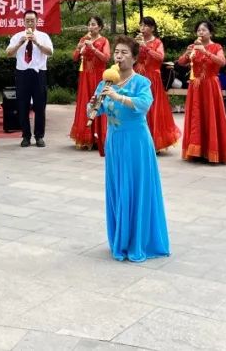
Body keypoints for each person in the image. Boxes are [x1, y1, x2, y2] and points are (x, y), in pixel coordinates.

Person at [90, 35, 170, 262]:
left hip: (136, 142)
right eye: (116, 52)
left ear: (134, 58)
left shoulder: (142, 82)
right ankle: (121, 239)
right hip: (115, 142)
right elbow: (97, 108)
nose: (119, 56)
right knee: (118, 187)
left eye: (124, 53)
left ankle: (138, 240)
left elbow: (144, 105)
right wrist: (93, 106)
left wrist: (118, 96)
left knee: (136, 188)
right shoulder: (105, 82)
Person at [175, 20, 226, 164]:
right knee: (196, 116)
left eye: (204, 30)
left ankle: (212, 150)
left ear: (210, 33)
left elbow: (222, 62)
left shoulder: (216, 47)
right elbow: (180, 62)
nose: (201, 32)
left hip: (210, 86)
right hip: (195, 87)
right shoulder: (193, 47)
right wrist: (187, 53)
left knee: (210, 115)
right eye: (198, 30)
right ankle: (196, 151)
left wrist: (205, 51)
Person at [7, 10, 54, 147]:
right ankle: (26, 136)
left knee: (40, 106)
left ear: (37, 21)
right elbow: (9, 53)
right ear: (23, 22)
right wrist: (19, 43)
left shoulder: (43, 36)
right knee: (23, 105)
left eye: (32, 20)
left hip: (39, 73)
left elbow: (50, 52)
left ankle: (39, 136)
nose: (29, 23)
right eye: (27, 20)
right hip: (22, 73)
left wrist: (37, 43)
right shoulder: (17, 36)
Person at [134, 16, 181, 155]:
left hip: (152, 78)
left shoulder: (157, 42)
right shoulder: (137, 41)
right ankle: (138, 141)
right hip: (137, 77)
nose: (142, 28)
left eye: (146, 26)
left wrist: (145, 47)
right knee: (136, 107)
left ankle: (154, 142)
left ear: (152, 28)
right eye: (141, 25)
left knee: (152, 108)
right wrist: (134, 47)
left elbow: (160, 58)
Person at [69, 16, 111, 151]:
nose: (90, 27)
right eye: (89, 25)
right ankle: (87, 137)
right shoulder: (84, 39)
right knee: (85, 103)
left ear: (100, 27)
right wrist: (78, 48)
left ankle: (100, 137)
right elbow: (75, 58)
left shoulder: (104, 41)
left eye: (93, 24)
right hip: (85, 77)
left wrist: (93, 48)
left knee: (99, 103)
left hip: (98, 77)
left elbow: (106, 58)